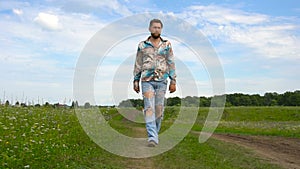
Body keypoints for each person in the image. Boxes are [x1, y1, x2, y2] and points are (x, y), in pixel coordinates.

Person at [133, 19, 176, 147]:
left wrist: (173, 80)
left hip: (162, 80)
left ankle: (154, 134)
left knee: (158, 109)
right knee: (149, 108)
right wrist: (136, 80)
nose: (156, 29)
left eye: (159, 28)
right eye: (154, 27)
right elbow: (138, 63)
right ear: (150, 29)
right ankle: (152, 137)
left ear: (161, 29)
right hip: (146, 80)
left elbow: (171, 62)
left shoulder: (167, 44)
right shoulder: (142, 45)